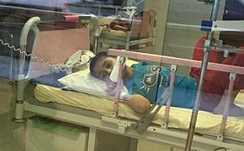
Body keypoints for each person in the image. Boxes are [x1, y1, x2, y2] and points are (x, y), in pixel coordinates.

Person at [89, 50, 244, 115]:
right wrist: (121, 94)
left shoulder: (138, 66)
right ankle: (223, 103)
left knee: (204, 42)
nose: (109, 71)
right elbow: (143, 106)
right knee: (239, 58)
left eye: (108, 65)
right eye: (104, 75)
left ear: (116, 58)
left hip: (195, 79)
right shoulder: (131, 87)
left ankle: (227, 84)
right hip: (204, 94)